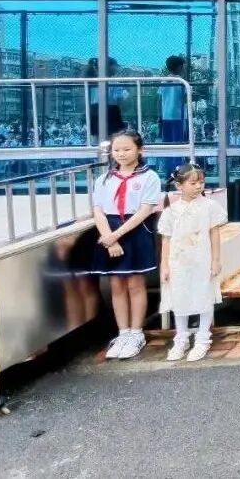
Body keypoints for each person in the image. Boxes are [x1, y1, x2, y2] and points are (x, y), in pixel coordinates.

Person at [91, 131, 162, 360]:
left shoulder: (149, 177)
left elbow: (144, 211)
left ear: (140, 150)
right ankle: (122, 333)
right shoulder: (103, 179)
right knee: (116, 284)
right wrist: (109, 237)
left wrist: (116, 236)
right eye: (116, 150)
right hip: (109, 232)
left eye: (127, 149)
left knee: (134, 283)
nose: (121, 154)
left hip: (135, 231)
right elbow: (98, 210)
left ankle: (136, 332)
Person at [158, 164, 227, 363]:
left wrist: (215, 260)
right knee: (179, 297)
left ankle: (203, 337)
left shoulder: (209, 207)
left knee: (204, 296)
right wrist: (164, 265)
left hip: (202, 260)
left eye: (201, 182)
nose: (198, 186)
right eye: (193, 183)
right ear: (179, 185)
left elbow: (214, 233)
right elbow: (166, 240)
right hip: (178, 262)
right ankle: (181, 337)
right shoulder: (171, 211)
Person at [158, 55, 187, 143]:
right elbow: (185, 98)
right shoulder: (182, 82)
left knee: (167, 141)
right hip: (178, 116)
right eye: (183, 66)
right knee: (178, 141)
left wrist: (159, 115)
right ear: (179, 67)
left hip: (165, 115)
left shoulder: (163, 81)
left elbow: (159, 100)